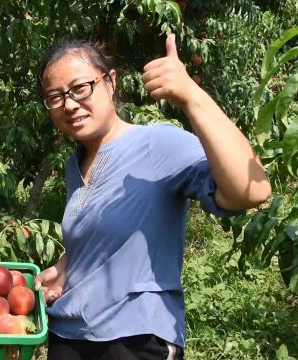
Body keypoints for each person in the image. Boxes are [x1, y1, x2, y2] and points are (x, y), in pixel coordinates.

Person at [33, 34, 271, 360]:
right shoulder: (75, 164)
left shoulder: (156, 143)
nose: (70, 104)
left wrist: (191, 96)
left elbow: (252, 190)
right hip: (68, 336)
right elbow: (107, 238)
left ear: (110, 82)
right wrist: (63, 268)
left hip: (135, 339)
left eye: (80, 88)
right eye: (55, 97)